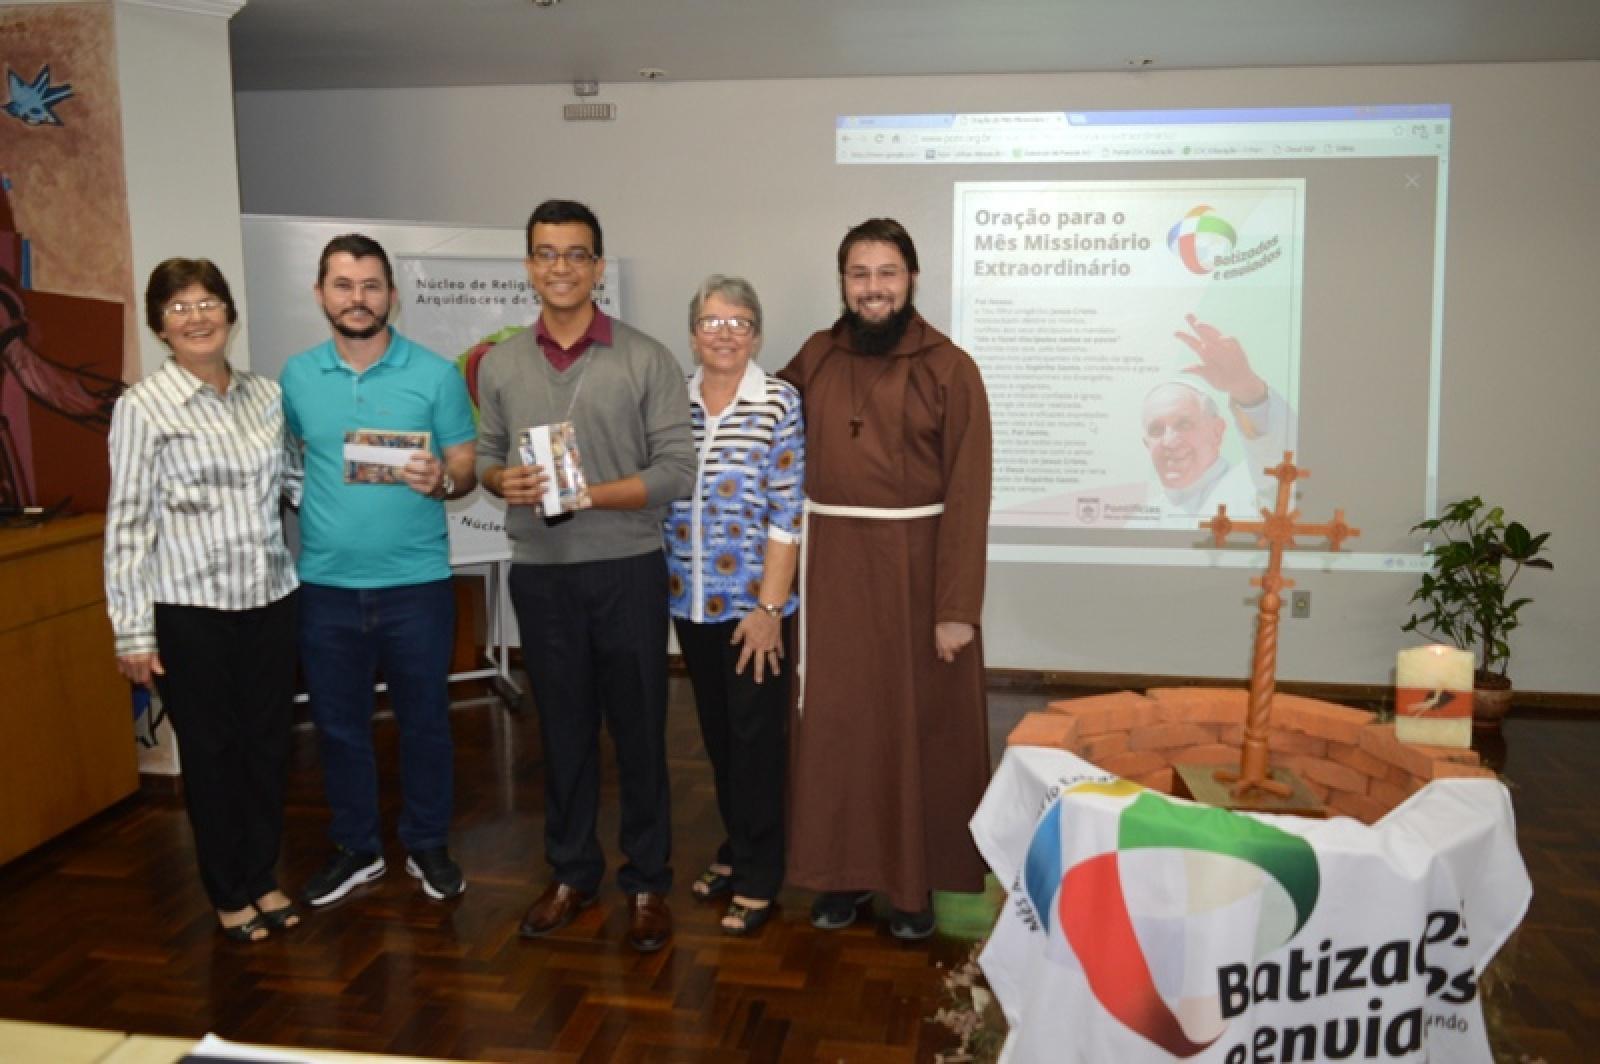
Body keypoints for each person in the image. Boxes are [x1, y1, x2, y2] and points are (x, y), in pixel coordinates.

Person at [475, 200, 694, 953]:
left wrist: (588, 494)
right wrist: (503, 481)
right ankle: (571, 872)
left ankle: (647, 883)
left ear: (598, 268)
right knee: (560, 735)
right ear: (530, 266)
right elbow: (485, 458)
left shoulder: (646, 356)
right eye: (547, 253)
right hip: (541, 575)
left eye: (576, 254)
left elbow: (676, 471)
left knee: (638, 734)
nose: (561, 267)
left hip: (627, 568)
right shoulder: (500, 363)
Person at [779, 218, 993, 940]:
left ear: (912, 279)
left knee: (912, 732)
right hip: (834, 566)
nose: (873, 289)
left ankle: (911, 887)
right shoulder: (815, 355)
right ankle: (840, 876)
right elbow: (765, 433)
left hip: (918, 572)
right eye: (859, 274)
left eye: (887, 273)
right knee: (840, 727)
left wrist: (956, 606)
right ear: (843, 282)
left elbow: (970, 491)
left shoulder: (950, 367)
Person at [105, 259, 300, 942]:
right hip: (189, 614)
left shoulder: (268, 396)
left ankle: (264, 874)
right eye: (181, 306)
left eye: (209, 301)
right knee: (213, 756)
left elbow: (300, 482)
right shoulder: (142, 407)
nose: (197, 316)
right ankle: (229, 891)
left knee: (269, 749)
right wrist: (132, 632)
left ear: (230, 313)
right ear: (161, 324)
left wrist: (379, 480)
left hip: (272, 601)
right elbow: (128, 524)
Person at [281, 234, 478, 907]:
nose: (357, 298)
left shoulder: (436, 374)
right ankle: (357, 847)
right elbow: (283, 469)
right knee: (338, 727)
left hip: (416, 586)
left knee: (425, 722)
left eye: (370, 285)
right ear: (321, 295)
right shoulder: (296, 378)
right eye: (343, 284)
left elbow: (465, 469)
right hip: (327, 586)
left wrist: (443, 482)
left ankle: (427, 843)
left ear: (393, 294)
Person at [664, 276, 804, 936]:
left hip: (755, 611)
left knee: (756, 743)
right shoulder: (671, 403)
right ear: (693, 333)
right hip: (688, 603)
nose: (725, 334)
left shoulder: (778, 402)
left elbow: (787, 513)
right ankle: (734, 847)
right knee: (719, 740)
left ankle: (759, 872)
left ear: (757, 334)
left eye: (739, 322)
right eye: (713, 322)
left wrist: (770, 609)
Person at [1140, 314, 1293, 524]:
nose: (1169, 441)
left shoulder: (1256, 484)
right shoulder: (1141, 522)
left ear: (1217, 431)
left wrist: (1245, 387)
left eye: (1184, 424)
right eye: (1156, 430)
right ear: (1146, 445)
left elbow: (1282, 459)